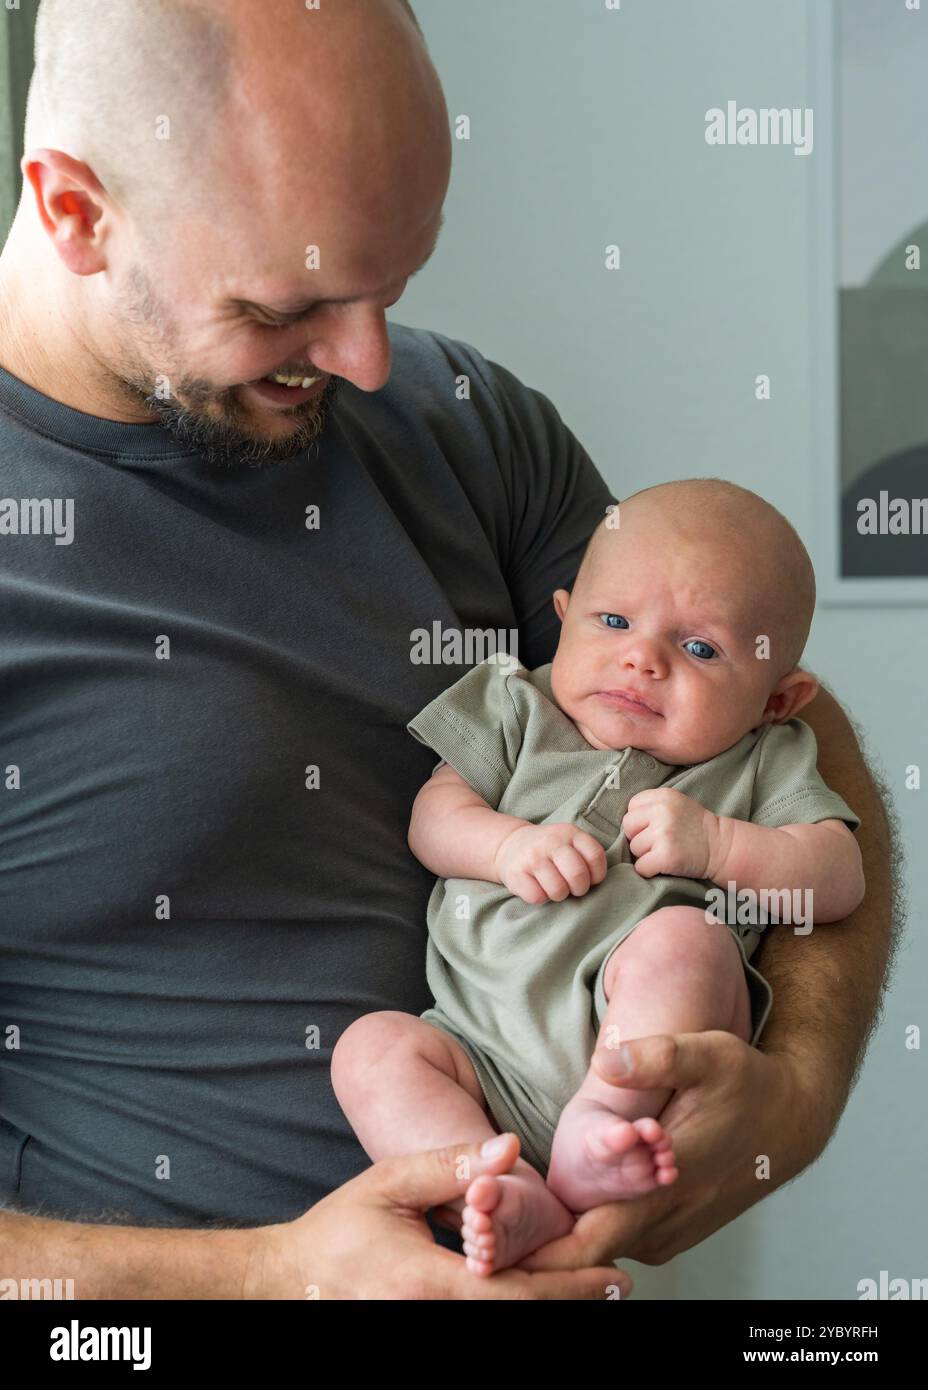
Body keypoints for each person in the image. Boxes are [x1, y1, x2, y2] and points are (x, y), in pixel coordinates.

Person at [0, 0, 896, 1299]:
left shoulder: (468, 425)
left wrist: (791, 1094)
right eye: (289, 305)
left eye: (394, 285)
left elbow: (767, 731)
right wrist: (274, 1274)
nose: (368, 363)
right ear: (76, 211)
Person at [332, 480, 866, 1275]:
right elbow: (433, 819)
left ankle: (601, 1122)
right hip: (478, 1051)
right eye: (612, 621)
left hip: (644, 1061)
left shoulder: (762, 758)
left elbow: (839, 877)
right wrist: (506, 846)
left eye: (700, 649)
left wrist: (720, 846)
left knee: (686, 940)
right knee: (370, 1051)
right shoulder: (517, 706)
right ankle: (497, 1189)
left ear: (777, 699)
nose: (641, 657)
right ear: (564, 612)